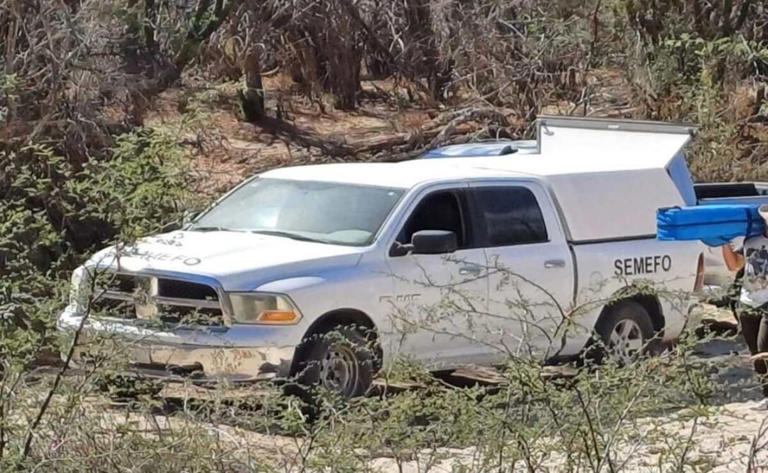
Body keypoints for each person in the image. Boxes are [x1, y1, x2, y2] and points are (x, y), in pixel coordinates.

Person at [722, 204, 768, 409]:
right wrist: (723, 243)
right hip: (748, 303)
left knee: (764, 348)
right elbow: (735, 265)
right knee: (754, 353)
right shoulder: (752, 241)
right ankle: (765, 393)